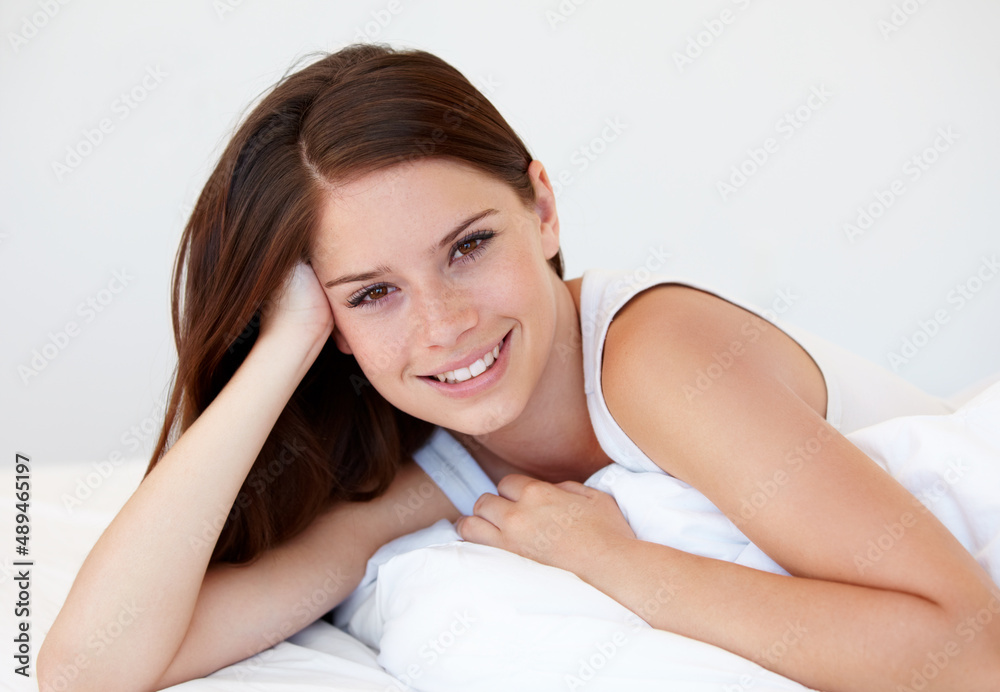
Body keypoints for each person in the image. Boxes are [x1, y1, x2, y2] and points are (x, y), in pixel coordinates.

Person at [38, 42, 1000, 692]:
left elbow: (968, 648)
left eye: (467, 247)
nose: (446, 327)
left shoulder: (654, 359)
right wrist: (280, 350)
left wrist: (616, 563)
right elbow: (88, 671)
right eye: (372, 293)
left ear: (541, 207)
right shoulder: (428, 467)